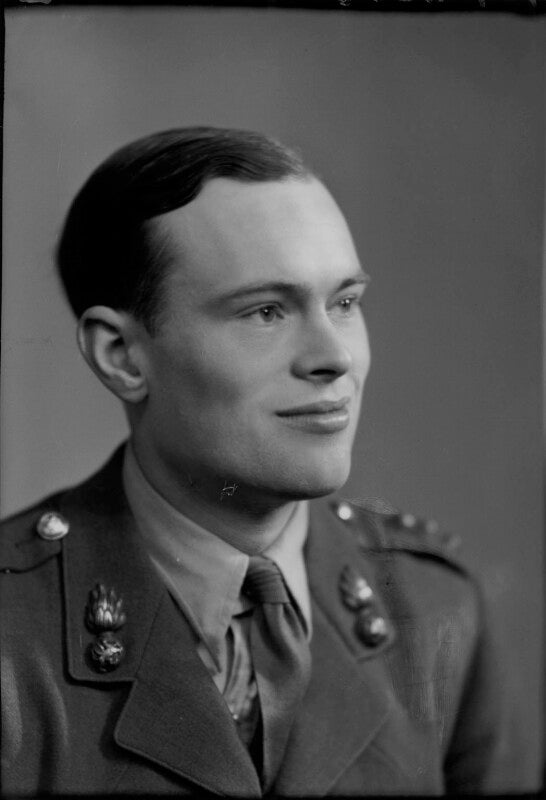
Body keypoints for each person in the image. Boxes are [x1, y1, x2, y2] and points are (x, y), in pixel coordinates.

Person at [0, 127, 533, 796]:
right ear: (122, 356)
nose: (334, 357)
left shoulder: (434, 610)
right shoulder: (12, 633)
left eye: (345, 303)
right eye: (266, 312)